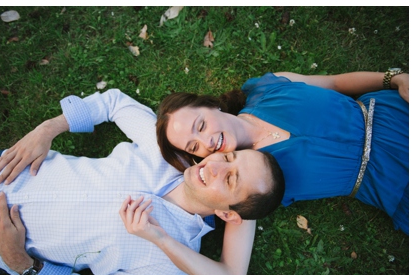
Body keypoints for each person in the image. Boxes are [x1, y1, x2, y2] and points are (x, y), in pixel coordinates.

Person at [0, 88, 285, 275]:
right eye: (228, 158)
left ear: (228, 214)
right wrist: (47, 130)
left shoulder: (171, 268)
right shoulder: (166, 153)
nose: (215, 166)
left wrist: (20, 261)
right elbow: (114, 102)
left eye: (230, 181)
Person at [156, 71, 408, 234]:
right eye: (194, 147)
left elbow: (335, 82)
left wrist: (395, 79)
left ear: (212, 106)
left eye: (200, 126)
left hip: (395, 114)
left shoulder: (269, 89)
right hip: (392, 181)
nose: (206, 141)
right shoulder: (249, 188)